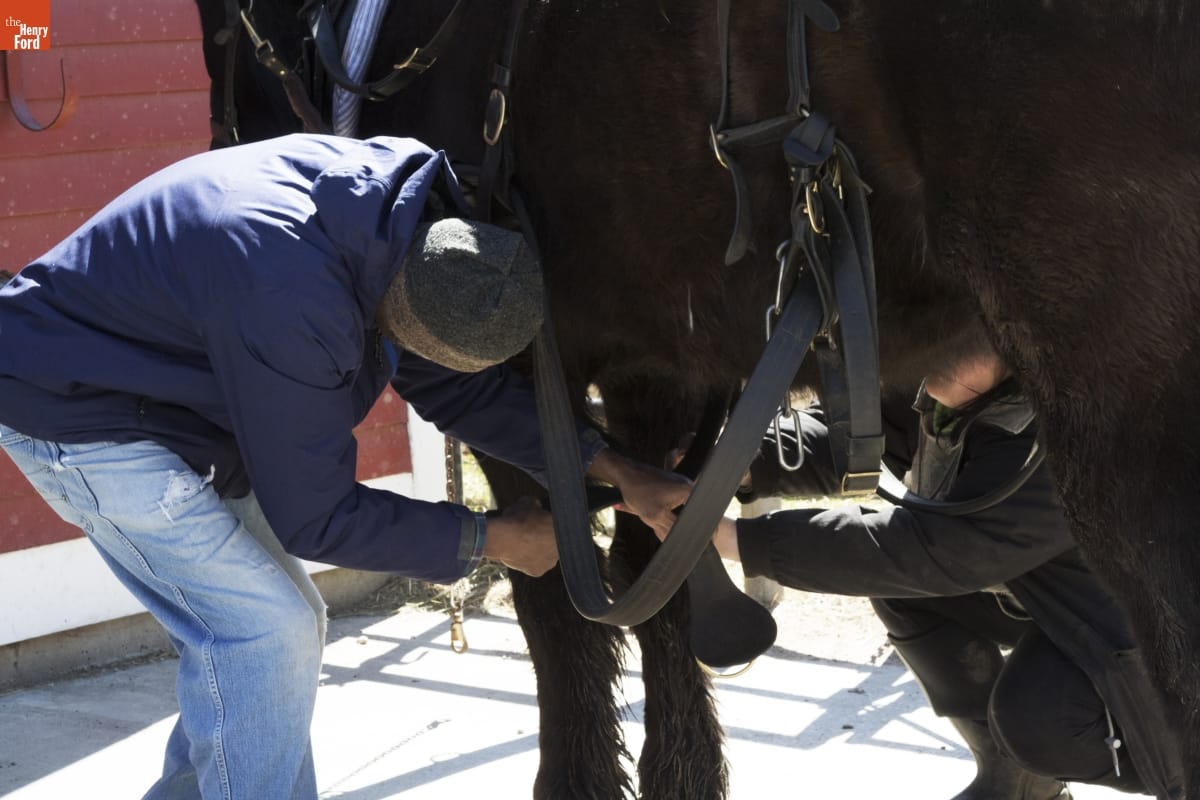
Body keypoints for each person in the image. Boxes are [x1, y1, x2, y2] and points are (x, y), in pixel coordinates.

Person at [0, 133, 690, 800]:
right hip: (72, 408)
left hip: (168, 400)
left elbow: (465, 391)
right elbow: (317, 518)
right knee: (265, 634)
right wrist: (490, 539)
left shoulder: (408, 236)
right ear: (403, 318)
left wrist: (612, 465)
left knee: (281, 629)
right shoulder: (290, 298)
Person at [681, 351, 1185, 799]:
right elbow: (850, 438)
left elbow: (939, 550)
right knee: (903, 593)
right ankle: (1016, 783)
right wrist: (738, 463)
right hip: (1052, 596)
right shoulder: (952, 384)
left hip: (1145, 627)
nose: (931, 349)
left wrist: (737, 540)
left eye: (958, 334)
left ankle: (1177, 773)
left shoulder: (1064, 427)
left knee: (1039, 716)